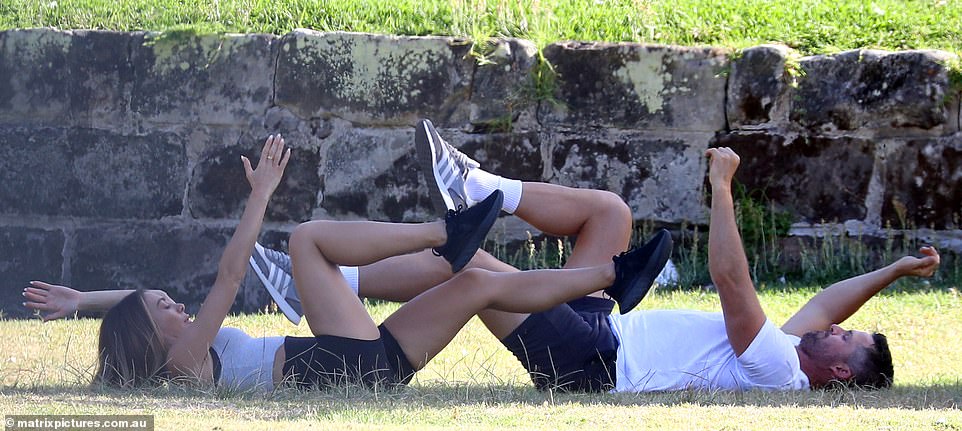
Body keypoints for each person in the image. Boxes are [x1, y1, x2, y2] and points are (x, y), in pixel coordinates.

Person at [23, 133, 669, 392]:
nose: (172, 301)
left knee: (474, 281)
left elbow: (138, 296)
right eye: (162, 309)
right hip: (345, 362)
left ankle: (617, 274)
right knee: (306, 239)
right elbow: (227, 276)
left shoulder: (182, 345)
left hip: (371, 364)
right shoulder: (187, 358)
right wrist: (260, 197)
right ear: (152, 336)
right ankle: (446, 227)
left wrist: (84, 300)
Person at [400, 120, 939, 391]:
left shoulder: (778, 370)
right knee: (610, 214)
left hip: (595, 364)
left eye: (846, 337)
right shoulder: (795, 350)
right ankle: (476, 187)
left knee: (476, 268)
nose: (838, 328)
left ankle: (336, 278)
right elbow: (828, 301)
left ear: (840, 371)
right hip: (605, 329)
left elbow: (730, 278)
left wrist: (722, 189)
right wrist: (893, 270)